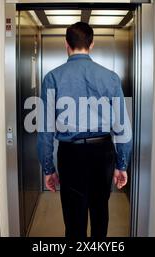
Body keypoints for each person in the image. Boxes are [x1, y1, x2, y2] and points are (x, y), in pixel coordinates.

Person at [37, 22, 132, 239]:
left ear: (66, 44)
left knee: (73, 218)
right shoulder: (110, 77)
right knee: (100, 212)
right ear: (92, 44)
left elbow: (45, 131)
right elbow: (123, 128)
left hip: (71, 155)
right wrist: (121, 164)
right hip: (103, 153)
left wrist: (48, 169)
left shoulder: (52, 77)